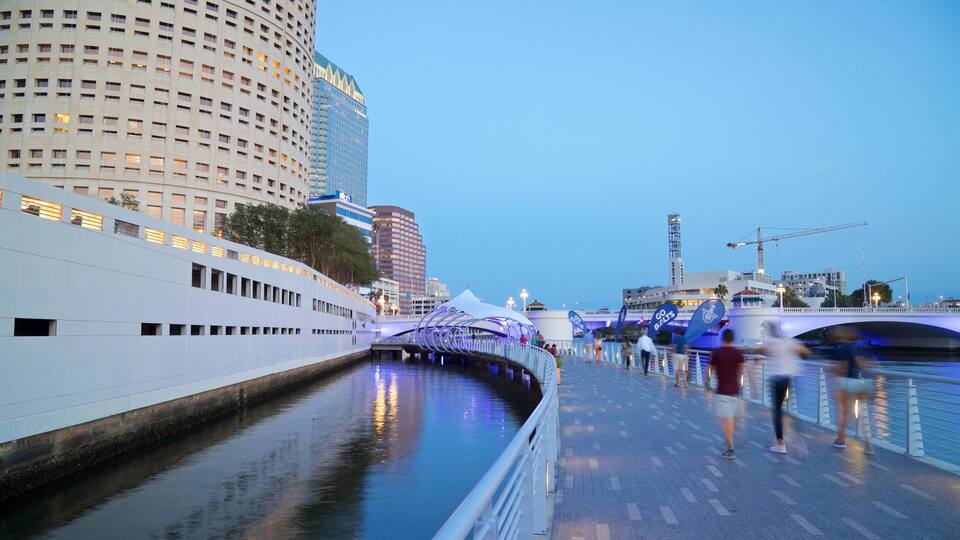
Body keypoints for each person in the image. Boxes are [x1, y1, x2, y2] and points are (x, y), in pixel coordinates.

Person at [754, 321, 811, 454]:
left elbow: (759, 350)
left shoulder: (770, 342)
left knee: (777, 411)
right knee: (787, 408)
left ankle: (781, 444)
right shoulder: (789, 341)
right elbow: (806, 352)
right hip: (789, 378)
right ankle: (798, 432)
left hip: (776, 379)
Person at [706, 329, 751, 459]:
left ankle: (730, 448)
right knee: (729, 418)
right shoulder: (738, 353)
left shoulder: (717, 352)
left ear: (722, 338)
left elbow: (710, 369)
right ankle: (732, 433)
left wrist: (707, 383)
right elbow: (743, 369)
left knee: (725, 420)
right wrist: (740, 381)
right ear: (733, 339)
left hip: (722, 391)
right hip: (735, 391)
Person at [828, 326, 873, 452]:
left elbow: (840, 367)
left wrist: (836, 377)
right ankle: (869, 444)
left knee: (843, 412)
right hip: (861, 381)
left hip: (846, 381)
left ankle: (841, 440)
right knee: (863, 412)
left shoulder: (837, 348)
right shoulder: (855, 347)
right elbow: (860, 364)